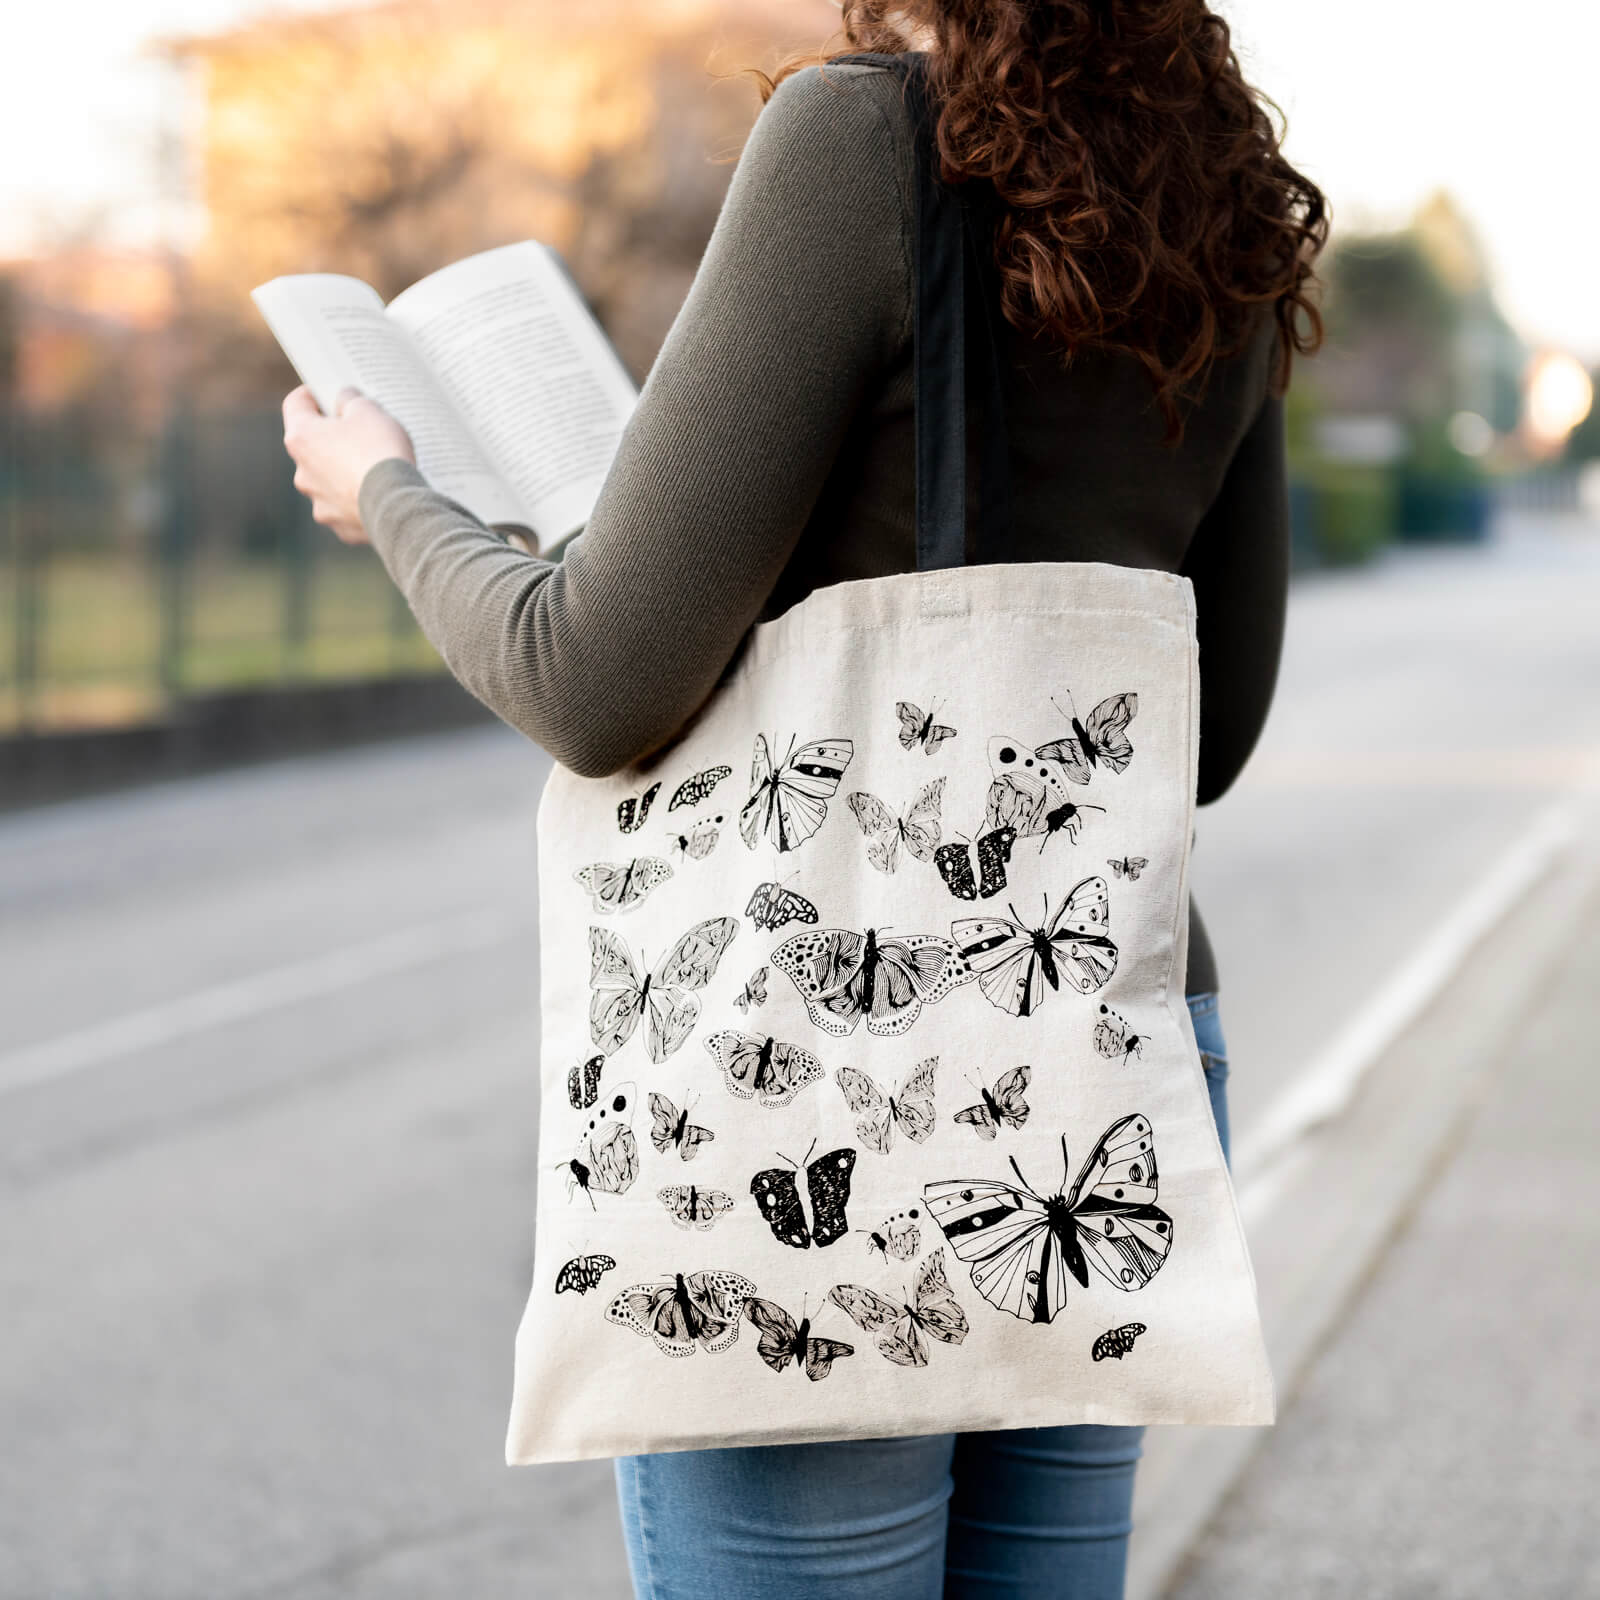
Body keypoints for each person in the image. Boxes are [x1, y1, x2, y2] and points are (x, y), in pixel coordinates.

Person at [281, 3, 1326, 1594]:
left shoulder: (861, 138)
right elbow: (1212, 731)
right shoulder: (1226, 196)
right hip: (1109, 1080)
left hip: (828, 1091)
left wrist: (391, 493)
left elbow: (591, 679)